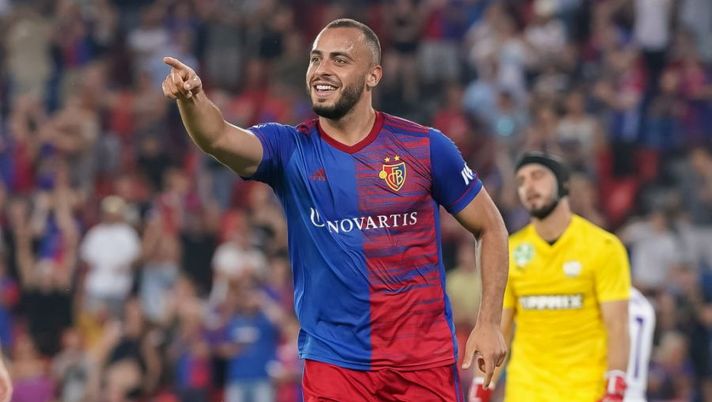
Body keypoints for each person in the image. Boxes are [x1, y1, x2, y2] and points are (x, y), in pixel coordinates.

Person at [162, 18, 509, 401]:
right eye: (316, 59)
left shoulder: (426, 147)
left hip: (421, 364)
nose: (321, 70)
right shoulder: (288, 148)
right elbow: (218, 137)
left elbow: (491, 227)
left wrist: (489, 321)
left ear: (373, 75)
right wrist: (191, 99)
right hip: (334, 366)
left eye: (339, 60)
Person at [470, 152, 631, 402]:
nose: (529, 186)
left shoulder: (604, 247)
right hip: (526, 393)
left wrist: (615, 390)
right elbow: (498, 328)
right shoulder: (509, 251)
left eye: (537, 176)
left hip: (586, 392)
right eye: (521, 181)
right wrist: (481, 390)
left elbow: (617, 326)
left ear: (563, 184)